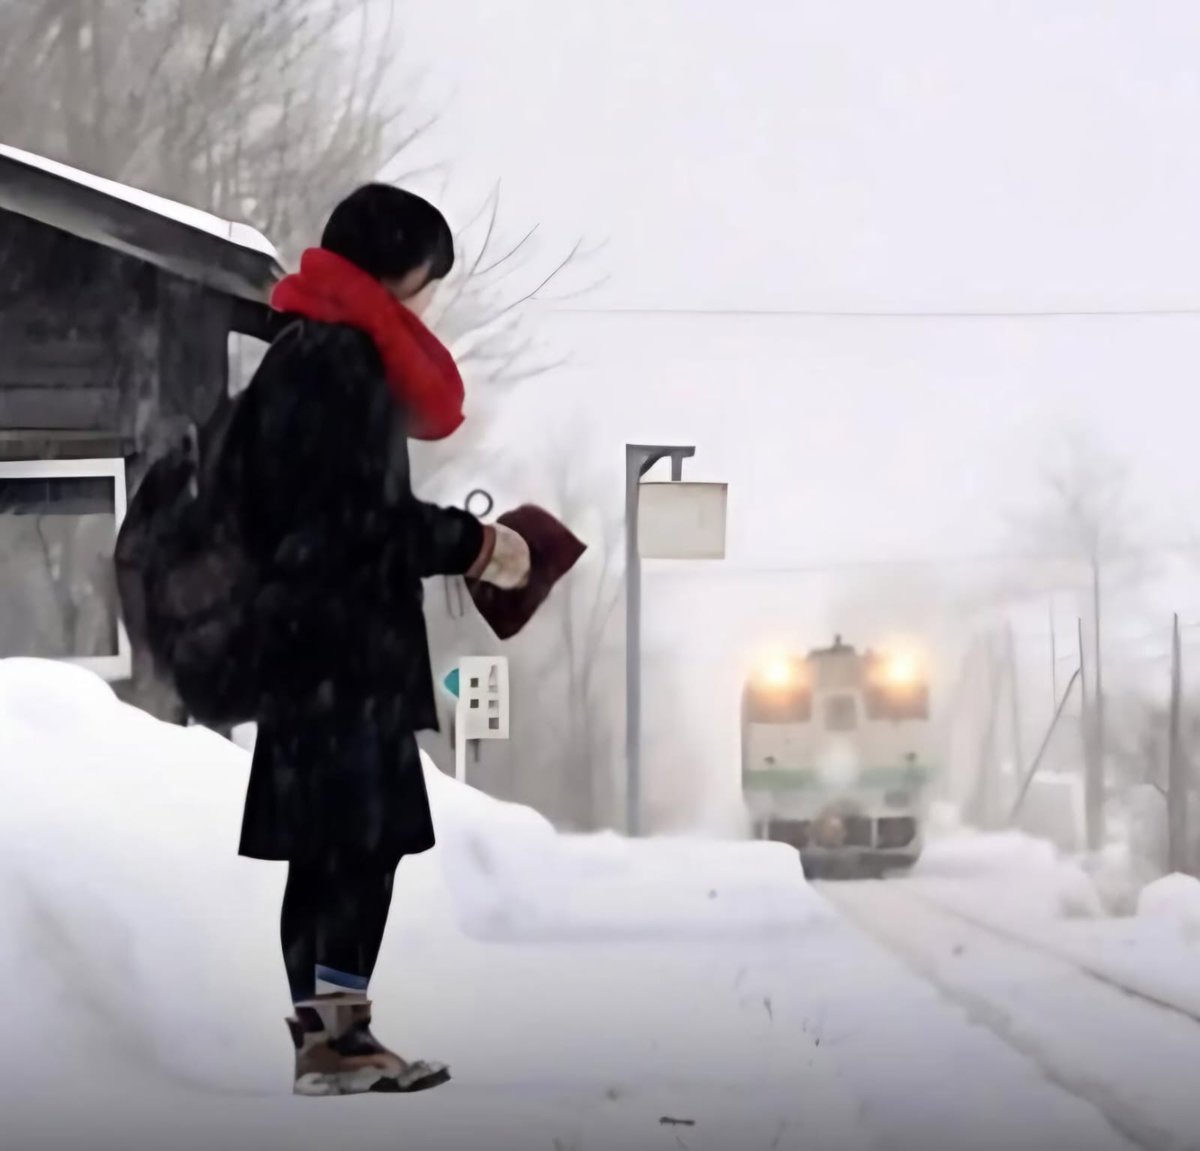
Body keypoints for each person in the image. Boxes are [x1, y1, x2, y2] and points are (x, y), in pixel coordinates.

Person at [234, 184, 531, 1096]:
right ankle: (339, 1038)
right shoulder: (344, 363)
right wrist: (479, 544)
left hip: (299, 646)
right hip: (344, 650)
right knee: (360, 842)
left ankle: (328, 1040)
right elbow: (366, 520)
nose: (430, 299)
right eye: (428, 278)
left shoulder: (297, 355)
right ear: (398, 270)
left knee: (327, 844)